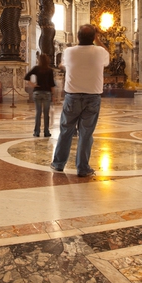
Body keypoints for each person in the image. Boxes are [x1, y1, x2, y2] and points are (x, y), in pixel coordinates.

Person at [51, 24, 109, 177]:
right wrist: (98, 40)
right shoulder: (100, 51)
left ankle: (58, 164)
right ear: (94, 37)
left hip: (73, 96)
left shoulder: (69, 51)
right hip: (93, 97)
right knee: (86, 133)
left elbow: (63, 65)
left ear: (77, 37)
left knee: (66, 131)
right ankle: (82, 168)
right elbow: (108, 58)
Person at [24, 54, 56, 137]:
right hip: (47, 93)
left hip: (37, 92)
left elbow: (26, 76)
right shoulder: (50, 70)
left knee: (38, 113)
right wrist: (53, 95)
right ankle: (46, 131)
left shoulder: (36, 68)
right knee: (46, 113)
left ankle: (36, 132)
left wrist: (32, 84)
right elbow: (52, 83)